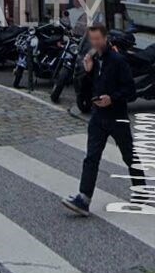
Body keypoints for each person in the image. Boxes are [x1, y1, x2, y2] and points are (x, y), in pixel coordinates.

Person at [61, 25, 146, 216]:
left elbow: (131, 91)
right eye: (92, 39)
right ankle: (84, 199)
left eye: (98, 39)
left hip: (117, 116)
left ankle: (141, 190)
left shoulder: (117, 60)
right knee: (91, 157)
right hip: (98, 116)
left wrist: (112, 98)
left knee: (128, 154)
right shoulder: (94, 60)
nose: (95, 43)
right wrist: (88, 71)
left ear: (105, 38)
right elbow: (86, 89)